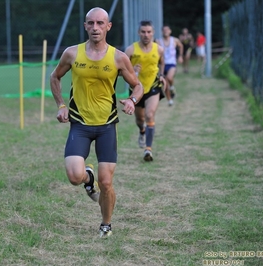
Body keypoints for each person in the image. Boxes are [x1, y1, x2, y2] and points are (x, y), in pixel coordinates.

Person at [50, 7, 143, 238]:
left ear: (108, 27)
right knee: (74, 177)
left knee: (107, 182)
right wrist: (61, 105)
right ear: (85, 26)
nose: (95, 28)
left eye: (100, 23)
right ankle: (87, 178)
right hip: (79, 124)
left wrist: (132, 100)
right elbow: (55, 77)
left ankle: (106, 225)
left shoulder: (119, 57)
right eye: (90, 23)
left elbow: (138, 85)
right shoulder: (72, 54)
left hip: (106, 125)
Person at [125, 20, 166, 161]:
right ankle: (142, 131)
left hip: (153, 86)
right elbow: (122, 69)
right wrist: (132, 70)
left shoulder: (159, 49)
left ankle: (148, 149)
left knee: (149, 115)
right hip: (137, 88)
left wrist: (161, 75)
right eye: (143, 32)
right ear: (139, 33)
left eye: (149, 32)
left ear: (153, 33)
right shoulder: (131, 50)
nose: (146, 35)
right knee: (140, 118)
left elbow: (162, 62)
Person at [156, 25, 183, 106]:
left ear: (170, 31)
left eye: (167, 30)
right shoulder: (158, 41)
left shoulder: (174, 40)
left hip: (172, 63)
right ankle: (169, 100)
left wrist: (180, 56)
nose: (165, 31)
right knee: (165, 83)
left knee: (169, 77)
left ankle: (172, 88)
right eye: (164, 30)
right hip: (163, 64)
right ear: (162, 31)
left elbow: (181, 46)